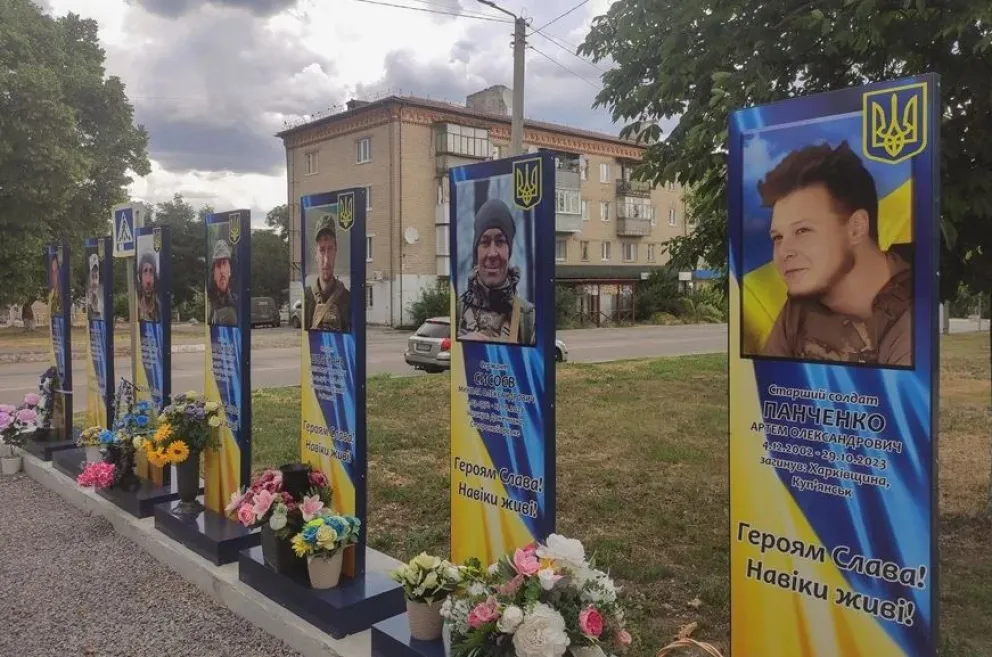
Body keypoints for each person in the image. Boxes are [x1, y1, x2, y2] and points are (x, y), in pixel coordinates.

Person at [758, 141, 912, 366]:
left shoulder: (911, 311)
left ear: (856, 228)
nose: (784, 253)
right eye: (777, 237)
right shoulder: (800, 306)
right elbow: (766, 385)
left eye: (802, 230)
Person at [457, 198, 536, 345]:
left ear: (509, 250)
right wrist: (462, 347)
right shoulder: (459, 309)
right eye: (485, 242)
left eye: (500, 241)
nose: (492, 253)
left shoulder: (528, 317)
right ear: (476, 251)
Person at [304, 214, 351, 332]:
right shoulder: (306, 297)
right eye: (322, 250)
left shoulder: (347, 299)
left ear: (336, 251)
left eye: (330, 249)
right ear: (316, 254)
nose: (326, 260)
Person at [208, 239, 238, 326]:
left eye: (224, 263)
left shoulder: (236, 289)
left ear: (230, 270)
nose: (222, 271)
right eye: (218, 265)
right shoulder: (212, 289)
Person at [137, 251, 161, 322]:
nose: (148, 281)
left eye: (151, 271)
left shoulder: (160, 307)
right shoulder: (137, 308)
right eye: (145, 271)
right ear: (140, 277)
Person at [87, 253, 103, 320]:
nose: (95, 282)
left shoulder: (102, 304)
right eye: (92, 277)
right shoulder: (88, 304)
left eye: (96, 277)